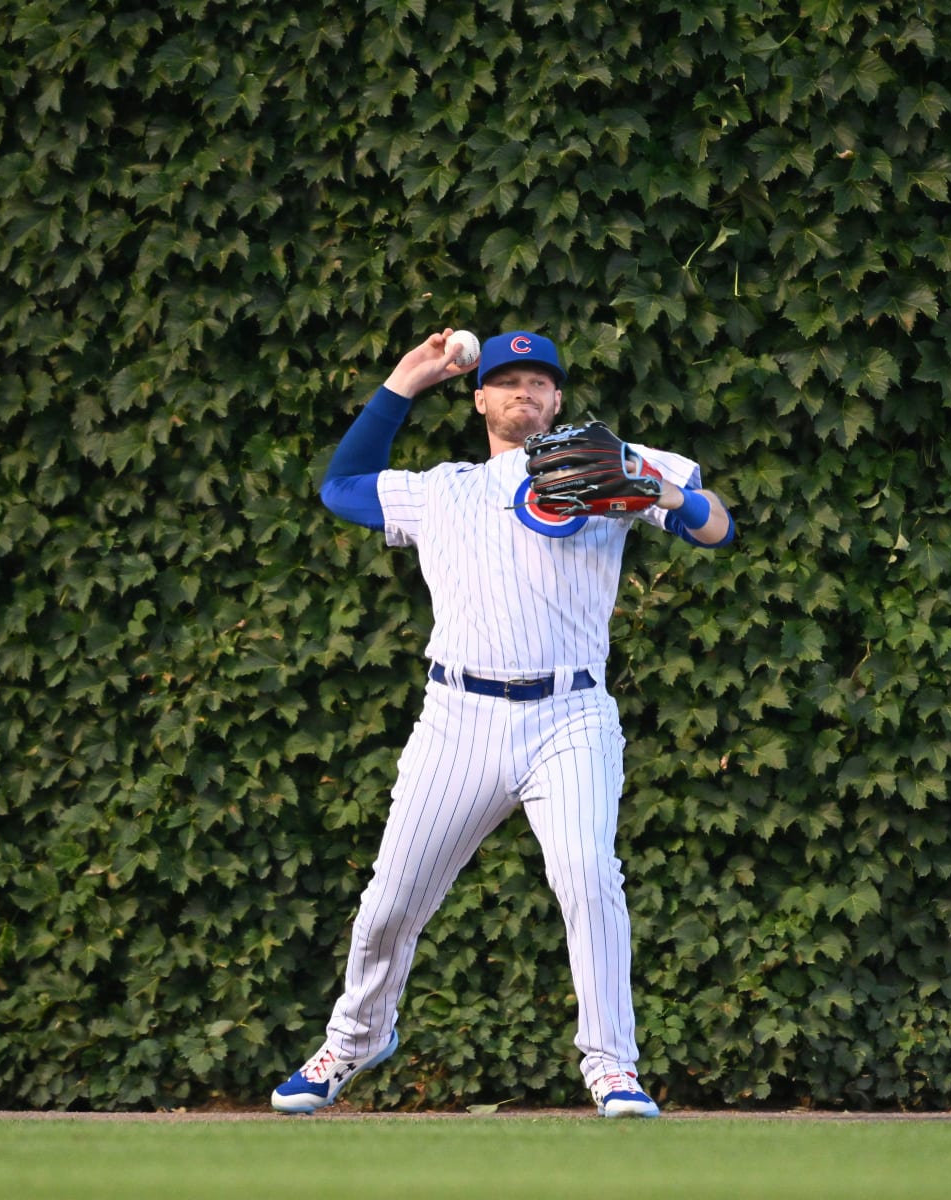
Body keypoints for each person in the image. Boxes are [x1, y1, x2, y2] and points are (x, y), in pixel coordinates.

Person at [271, 329, 735, 1118]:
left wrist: (659, 491)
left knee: (590, 877)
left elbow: (717, 527)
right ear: (480, 397)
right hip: (459, 716)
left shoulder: (612, 462)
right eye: (508, 380)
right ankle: (353, 1040)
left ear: (557, 400)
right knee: (390, 903)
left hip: (572, 713)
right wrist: (402, 383)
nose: (525, 392)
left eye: (540, 382)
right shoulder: (440, 488)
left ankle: (612, 1066)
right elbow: (341, 487)